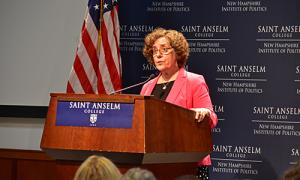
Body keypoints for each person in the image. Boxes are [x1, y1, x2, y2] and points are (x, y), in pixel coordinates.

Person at [140, 27, 218, 180]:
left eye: (164, 49)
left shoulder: (194, 81)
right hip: (153, 162)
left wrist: (205, 112)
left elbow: (212, 118)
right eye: (155, 51)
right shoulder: (147, 87)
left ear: (177, 53)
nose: (158, 55)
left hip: (187, 163)